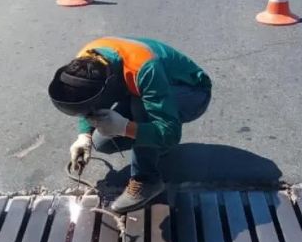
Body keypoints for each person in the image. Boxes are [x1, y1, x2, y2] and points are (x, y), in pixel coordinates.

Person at [48, 37, 212, 213]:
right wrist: (84, 135)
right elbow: (88, 103)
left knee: (141, 107)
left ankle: (148, 180)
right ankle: (152, 145)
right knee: (103, 142)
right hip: (145, 89)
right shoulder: (86, 61)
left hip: (191, 92)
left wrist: (125, 128)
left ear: (107, 84)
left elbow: (170, 132)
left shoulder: (144, 69)